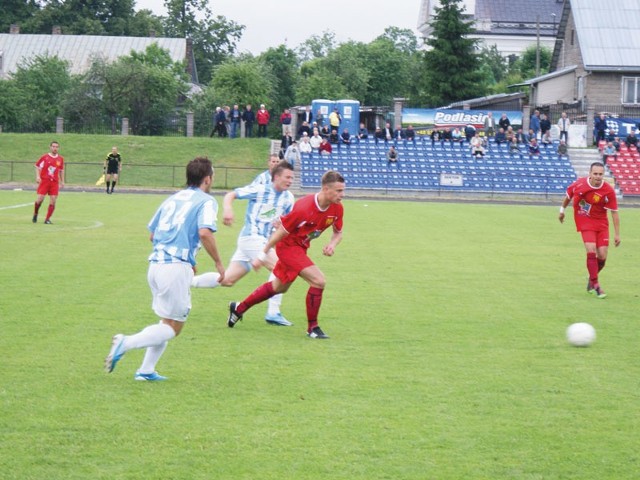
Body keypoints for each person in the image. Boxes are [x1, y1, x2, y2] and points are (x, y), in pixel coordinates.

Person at [105, 157, 226, 381]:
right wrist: (218, 262)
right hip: (174, 268)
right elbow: (205, 232)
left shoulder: (172, 199)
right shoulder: (206, 201)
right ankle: (126, 342)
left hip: (156, 265)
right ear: (207, 179)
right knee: (174, 327)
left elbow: (152, 234)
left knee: (166, 321)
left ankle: (146, 371)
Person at [227, 170, 345, 339]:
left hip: (301, 248)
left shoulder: (337, 208)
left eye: (343, 190)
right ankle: (313, 328)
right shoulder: (304, 207)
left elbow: (338, 233)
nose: (342, 194)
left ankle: (238, 308)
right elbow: (281, 231)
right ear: (326, 189)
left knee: (279, 287)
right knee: (318, 281)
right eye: (338, 191)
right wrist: (262, 255)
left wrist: (332, 245)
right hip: (288, 247)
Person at [192, 161, 295, 326]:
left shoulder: (288, 198)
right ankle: (273, 312)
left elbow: (287, 222)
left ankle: (188, 281)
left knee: (227, 280)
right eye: (287, 177)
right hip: (251, 238)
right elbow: (230, 195)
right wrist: (228, 209)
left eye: (292, 178)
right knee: (283, 269)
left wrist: (280, 223)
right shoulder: (260, 189)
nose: (290, 181)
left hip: (259, 242)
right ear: (276, 177)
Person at [559, 162, 620, 298]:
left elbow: (614, 212)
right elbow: (568, 197)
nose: (598, 177)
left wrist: (617, 234)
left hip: (601, 223)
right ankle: (596, 285)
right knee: (591, 250)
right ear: (590, 174)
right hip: (585, 220)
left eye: (600, 174)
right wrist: (562, 211)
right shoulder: (580, 184)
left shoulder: (608, 190)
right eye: (595, 174)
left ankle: (591, 278)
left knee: (603, 256)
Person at [33, 140, 64, 224]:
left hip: (54, 182)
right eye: (53, 146)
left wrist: (62, 181)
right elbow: (37, 166)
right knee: (40, 199)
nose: (55, 148)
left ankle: (47, 219)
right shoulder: (45, 157)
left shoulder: (60, 159)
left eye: (56, 147)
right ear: (50, 147)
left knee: (53, 200)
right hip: (45, 181)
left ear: (58, 148)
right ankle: (35, 213)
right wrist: (38, 176)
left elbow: (61, 170)